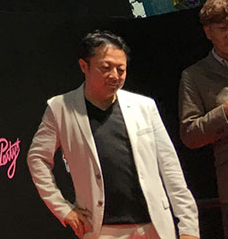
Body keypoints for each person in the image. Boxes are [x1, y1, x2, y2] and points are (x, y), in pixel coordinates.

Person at [27, 30, 198, 239]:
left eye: (121, 69)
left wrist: (188, 227)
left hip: (154, 225)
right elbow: (37, 158)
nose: (115, 76)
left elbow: (170, 166)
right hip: (101, 228)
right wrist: (62, 208)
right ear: (84, 66)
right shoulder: (60, 107)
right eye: (106, 68)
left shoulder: (144, 106)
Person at [179, 0, 228, 237]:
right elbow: (190, 135)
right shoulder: (195, 76)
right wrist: (226, 111)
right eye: (223, 29)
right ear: (208, 32)